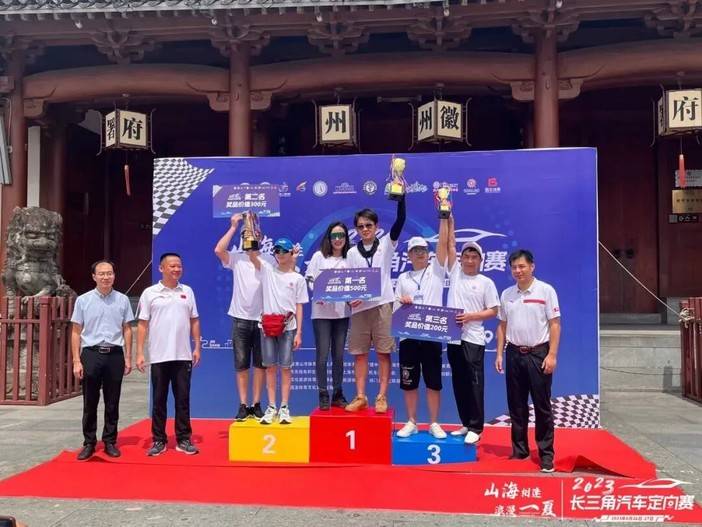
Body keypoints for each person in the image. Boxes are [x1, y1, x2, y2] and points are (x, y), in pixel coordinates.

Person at [495, 249, 561, 473]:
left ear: (532, 267)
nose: (518, 271)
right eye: (514, 267)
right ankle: (520, 450)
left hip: (538, 354)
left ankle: (546, 455)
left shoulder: (545, 290)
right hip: (514, 354)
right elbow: (502, 325)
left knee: (542, 406)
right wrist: (499, 353)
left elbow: (555, 324)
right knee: (516, 405)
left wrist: (552, 354)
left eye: (522, 266)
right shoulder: (507, 294)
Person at [345, 195, 406, 413]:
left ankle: (381, 396)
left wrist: (401, 199)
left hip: (383, 306)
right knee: (359, 354)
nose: (365, 229)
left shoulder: (387, 244)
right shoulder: (351, 252)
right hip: (359, 309)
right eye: (360, 226)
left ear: (376, 226)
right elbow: (349, 281)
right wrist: (349, 298)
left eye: (368, 225)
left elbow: (400, 220)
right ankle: (361, 396)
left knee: (383, 353)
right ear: (356, 229)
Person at [136, 253, 201, 456]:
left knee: (182, 400)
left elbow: (194, 320)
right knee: (159, 400)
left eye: (179, 266)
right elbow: (142, 324)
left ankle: (184, 439)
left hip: (183, 355)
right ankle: (159, 440)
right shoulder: (150, 293)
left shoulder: (187, 291)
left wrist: (197, 346)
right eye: (172, 266)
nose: (176, 269)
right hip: (159, 356)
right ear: (161, 268)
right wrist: (140, 352)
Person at [444, 215, 500, 445]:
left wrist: (471, 317)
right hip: (453, 338)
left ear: (480, 260)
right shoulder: (455, 272)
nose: (469, 260)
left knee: (475, 383)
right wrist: (449, 221)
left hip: (474, 338)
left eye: (473, 257)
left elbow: (493, 310)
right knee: (459, 382)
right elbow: (450, 244)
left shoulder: (486, 282)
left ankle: (476, 426)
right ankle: (466, 423)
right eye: (466, 256)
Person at [71, 260, 134, 461]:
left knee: (112, 401)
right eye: (102, 273)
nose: (106, 277)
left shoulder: (123, 300)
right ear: (94, 276)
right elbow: (76, 331)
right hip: (91, 353)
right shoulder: (83, 300)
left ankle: (110, 441)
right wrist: (76, 360)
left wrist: (128, 357)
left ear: (114, 275)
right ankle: (89, 442)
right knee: (90, 401)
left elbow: (127, 329)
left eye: (109, 273)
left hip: (115, 354)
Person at [248, 237, 309, 424]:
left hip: (288, 327)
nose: (280, 254)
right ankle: (271, 406)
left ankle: (284, 407)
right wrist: (252, 234)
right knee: (270, 368)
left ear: (291, 253)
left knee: (286, 368)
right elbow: (252, 256)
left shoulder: (298, 278)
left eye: (284, 251)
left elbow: (299, 306)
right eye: (277, 251)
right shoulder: (267, 270)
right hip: (267, 326)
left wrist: (299, 333)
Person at [394, 235, 447, 439]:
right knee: (409, 381)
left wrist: (445, 219)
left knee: (433, 381)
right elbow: (395, 307)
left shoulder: (437, 271)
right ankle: (412, 421)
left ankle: (434, 422)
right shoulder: (403, 278)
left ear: (429, 253)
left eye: (423, 250)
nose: (420, 254)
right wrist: (403, 301)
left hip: (432, 335)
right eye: (415, 250)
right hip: (408, 336)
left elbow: (443, 244)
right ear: (409, 255)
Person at [214, 212, 266, 421]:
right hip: (240, 319)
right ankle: (243, 405)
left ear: (259, 236)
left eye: (251, 234)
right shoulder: (236, 258)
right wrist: (234, 227)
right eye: (245, 235)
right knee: (242, 364)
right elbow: (218, 250)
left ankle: (257, 404)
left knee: (261, 365)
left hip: (263, 320)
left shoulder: (269, 259)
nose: (248, 238)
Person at [305, 221, 351, 410]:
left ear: (346, 238)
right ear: (329, 238)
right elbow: (309, 279)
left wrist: (353, 297)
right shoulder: (319, 256)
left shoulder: (350, 258)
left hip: (342, 313)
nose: (338, 239)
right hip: (321, 313)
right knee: (322, 355)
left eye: (341, 235)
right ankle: (323, 393)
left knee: (338, 356)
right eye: (334, 236)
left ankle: (337, 394)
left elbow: (357, 283)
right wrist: (318, 293)